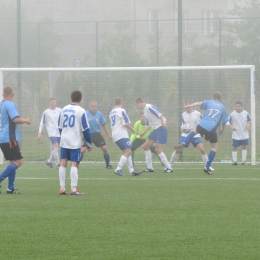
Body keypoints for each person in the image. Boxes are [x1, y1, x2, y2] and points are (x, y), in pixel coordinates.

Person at [176, 91, 229, 175]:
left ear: (213, 97)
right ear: (220, 98)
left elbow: (199, 103)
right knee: (214, 147)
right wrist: (222, 128)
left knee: (194, 131)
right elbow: (225, 120)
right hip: (212, 128)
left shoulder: (209, 102)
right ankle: (207, 167)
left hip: (203, 124)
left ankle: (185, 141)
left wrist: (191, 105)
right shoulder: (222, 107)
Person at [58, 90, 92, 195]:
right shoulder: (81, 111)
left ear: (71, 98)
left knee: (63, 163)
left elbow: (59, 127)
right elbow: (86, 129)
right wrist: (89, 142)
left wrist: (63, 136)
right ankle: (73, 189)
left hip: (64, 140)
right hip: (74, 141)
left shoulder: (63, 109)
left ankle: (62, 189)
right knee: (74, 164)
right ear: (81, 99)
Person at [0, 86, 31, 194]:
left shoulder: (1, 105)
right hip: (10, 138)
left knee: (12, 162)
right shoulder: (10, 104)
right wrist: (26, 120)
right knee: (18, 162)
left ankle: (10, 188)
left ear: (3, 95)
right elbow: (15, 119)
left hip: (2, 138)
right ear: (13, 95)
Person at [170, 102, 214, 171]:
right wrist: (183, 130)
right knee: (177, 150)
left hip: (195, 135)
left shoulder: (197, 114)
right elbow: (183, 126)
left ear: (191, 106)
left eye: (188, 106)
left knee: (202, 149)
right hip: (185, 135)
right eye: (186, 107)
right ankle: (169, 166)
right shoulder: (183, 115)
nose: (187, 108)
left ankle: (207, 166)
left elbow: (202, 122)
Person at [134, 97, 173, 173]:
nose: (136, 107)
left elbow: (160, 114)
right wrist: (143, 133)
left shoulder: (149, 107)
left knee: (157, 149)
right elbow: (149, 125)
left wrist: (163, 124)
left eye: (136, 105)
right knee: (145, 147)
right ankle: (150, 168)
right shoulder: (144, 111)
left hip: (161, 128)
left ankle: (169, 168)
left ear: (139, 103)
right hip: (155, 130)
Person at [109, 97, 142, 176]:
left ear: (114, 103)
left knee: (128, 151)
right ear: (122, 102)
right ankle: (118, 169)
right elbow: (125, 123)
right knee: (128, 151)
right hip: (121, 134)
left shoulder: (111, 112)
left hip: (115, 134)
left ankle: (131, 170)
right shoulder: (121, 110)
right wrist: (132, 129)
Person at [80, 100, 112, 169]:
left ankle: (108, 164)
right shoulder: (85, 113)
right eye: (92, 106)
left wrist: (108, 134)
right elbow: (81, 125)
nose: (94, 108)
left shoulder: (99, 114)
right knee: (82, 150)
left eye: (95, 106)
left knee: (105, 149)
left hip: (97, 134)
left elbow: (104, 124)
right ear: (89, 106)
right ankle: (76, 165)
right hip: (87, 134)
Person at [38, 97, 62, 168]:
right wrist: (40, 132)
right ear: (49, 103)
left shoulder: (60, 110)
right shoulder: (46, 112)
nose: (53, 104)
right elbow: (42, 123)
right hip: (51, 132)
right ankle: (58, 164)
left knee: (57, 148)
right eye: (52, 102)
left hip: (59, 132)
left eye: (54, 102)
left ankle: (49, 161)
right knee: (56, 146)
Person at [228, 101, 251, 165]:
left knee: (244, 147)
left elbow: (249, 120)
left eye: (239, 106)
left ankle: (244, 161)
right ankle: (234, 161)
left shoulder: (246, 113)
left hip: (244, 134)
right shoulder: (232, 114)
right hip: (236, 134)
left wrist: (248, 125)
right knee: (235, 147)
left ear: (241, 106)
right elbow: (228, 122)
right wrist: (231, 126)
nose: (237, 107)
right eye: (236, 106)